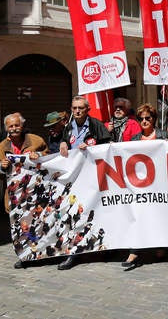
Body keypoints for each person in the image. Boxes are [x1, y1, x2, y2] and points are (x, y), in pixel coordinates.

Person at [57, 95, 112, 270]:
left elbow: (109, 146)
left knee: (95, 213)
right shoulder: (68, 128)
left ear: (88, 109)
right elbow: (62, 146)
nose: (77, 111)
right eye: (74, 108)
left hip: (93, 178)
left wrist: (92, 148)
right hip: (74, 180)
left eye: (81, 107)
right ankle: (72, 253)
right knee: (73, 214)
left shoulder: (96, 125)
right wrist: (63, 142)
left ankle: (103, 248)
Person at [0, 112, 48, 269]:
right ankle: (25, 256)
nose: (14, 128)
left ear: (22, 126)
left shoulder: (36, 140)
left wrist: (38, 155)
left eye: (17, 125)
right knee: (20, 227)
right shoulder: (0, 148)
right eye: (11, 126)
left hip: (36, 192)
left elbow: (49, 157)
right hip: (15, 197)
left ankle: (41, 254)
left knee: (38, 224)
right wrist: (2, 168)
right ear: (6, 128)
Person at [121, 103, 168, 271]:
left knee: (158, 214)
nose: (144, 121)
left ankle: (160, 245)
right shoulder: (135, 139)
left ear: (154, 119)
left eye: (147, 118)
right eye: (141, 119)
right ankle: (134, 252)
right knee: (139, 215)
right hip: (141, 186)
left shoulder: (164, 136)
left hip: (161, 184)